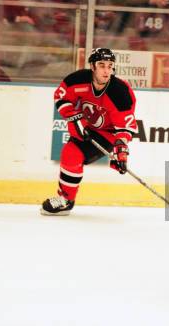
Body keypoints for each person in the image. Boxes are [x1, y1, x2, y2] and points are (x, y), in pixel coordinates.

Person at [41, 48, 138, 216]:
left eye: (110, 66)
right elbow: (61, 97)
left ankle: (66, 199)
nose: (107, 70)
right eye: (102, 65)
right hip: (85, 125)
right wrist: (75, 117)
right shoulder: (77, 80)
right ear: (92, 66)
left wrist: (121, 151)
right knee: (69, 154)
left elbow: (125, 127)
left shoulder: (119, 92)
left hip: (107, 133)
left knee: (73, 154)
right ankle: (65, 200)